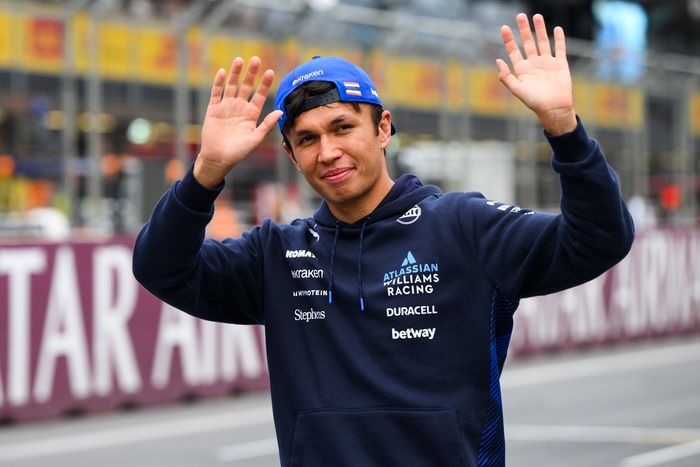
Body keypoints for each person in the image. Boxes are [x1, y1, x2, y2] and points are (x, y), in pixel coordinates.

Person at [133, 13, 634, 467]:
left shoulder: (464, 226)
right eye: (307, 139)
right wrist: (207, 171)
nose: (328, 151)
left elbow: (599, 239)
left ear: (383, 128)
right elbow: (161, 268)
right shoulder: (275, 255)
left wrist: (563, 128)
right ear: (291, 155)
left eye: (342, 127)